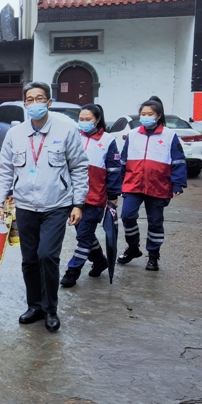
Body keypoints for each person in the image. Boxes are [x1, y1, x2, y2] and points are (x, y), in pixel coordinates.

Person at [0, 82, 88, 333]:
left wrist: (78, 203)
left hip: (56, 205)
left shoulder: (67, 130)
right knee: (30, 259)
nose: (35, 103)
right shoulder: (15, 134)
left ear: (49, 102)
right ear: (25, 104)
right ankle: (34, 306)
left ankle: (50, 309)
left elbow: (79, 168)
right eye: (30, 99)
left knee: (47, 256)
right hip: (25, 206)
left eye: (40, 98)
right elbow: (5, 171)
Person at [117, 96, 187, 272]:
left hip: (158, 185)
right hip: (133, 183)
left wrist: (178, 183)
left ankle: (153, 256)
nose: (145, 116)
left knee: (155, 222)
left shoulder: (169, 136)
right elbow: (123, 161)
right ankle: (133, 248)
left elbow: (178, 161)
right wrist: (119, 182)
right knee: (127, 216)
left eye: (150, 114)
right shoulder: (133, 135)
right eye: (143, 114)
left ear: (158, 116)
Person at [60, 104, 122, 288]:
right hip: (72, 196)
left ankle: (72, 271)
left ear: (98, 119)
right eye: (81, 119)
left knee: (84, 236)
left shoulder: (108, 140)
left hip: (95, 197)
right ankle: (100, 261)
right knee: (84, 234)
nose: (84, 122)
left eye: (88, 119)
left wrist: (112, 195)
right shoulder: (74, 136)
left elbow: (114, 170)